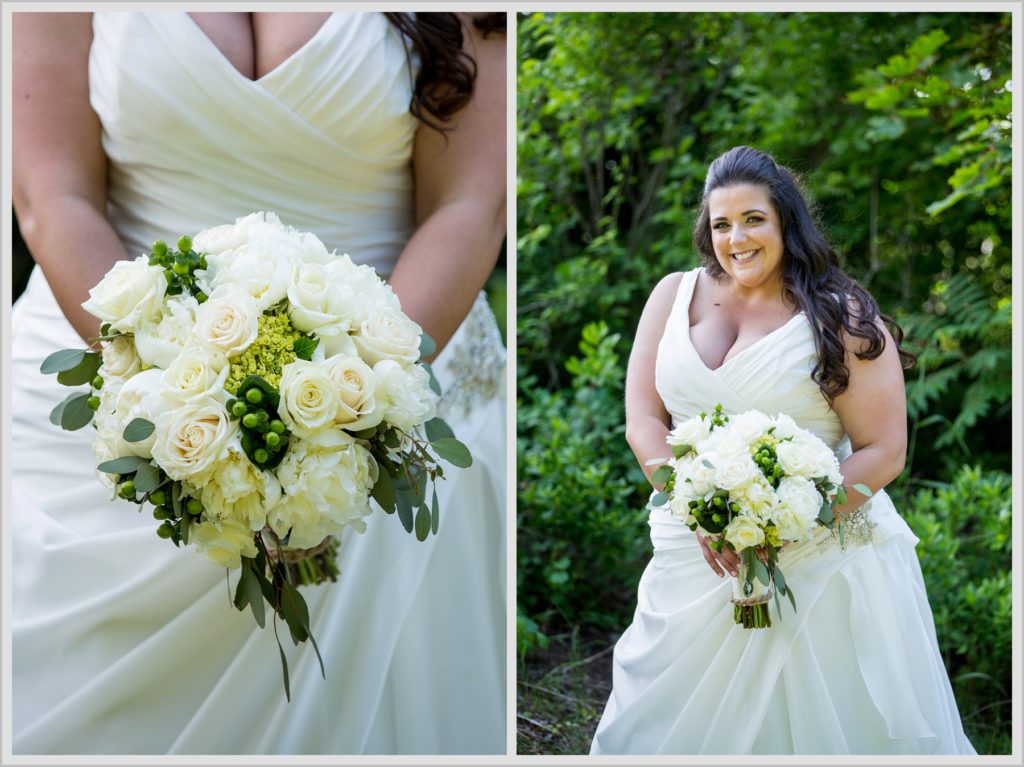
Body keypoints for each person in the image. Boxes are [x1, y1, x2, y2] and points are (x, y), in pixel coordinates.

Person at [11, 11, 506, 755]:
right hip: (109, 338)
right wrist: (166, 397)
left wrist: (355, 414)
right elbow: (53, 195)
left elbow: (470, 202)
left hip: (395, 339)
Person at [589, 146, 975, 755]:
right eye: (721, 224)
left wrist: (779, 527)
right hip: (693, 549)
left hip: (817, 559)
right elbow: (643, 416)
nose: (736, 238)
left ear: (785, 222)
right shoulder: (672, 295)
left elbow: (885, 449)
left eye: (753, 219)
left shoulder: (841, 314)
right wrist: (698, 510)